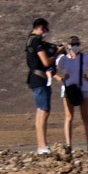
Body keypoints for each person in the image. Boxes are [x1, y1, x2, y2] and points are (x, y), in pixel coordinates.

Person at [56, 36, 88, 153]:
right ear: (68, 45)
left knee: (85, 116)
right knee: (69, 117)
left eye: (77, 44)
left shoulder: (85, 58)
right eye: (72, 44)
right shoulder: (64, 59)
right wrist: (60, 78)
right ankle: (69, 144)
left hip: (83, 89)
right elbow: (51, 69)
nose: (75, 46)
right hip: (68, 89)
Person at [26, 17, 57, 154]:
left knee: (41, 111)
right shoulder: (36, 41)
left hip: (36, 78)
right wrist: (57, 53)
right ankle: (42, 145)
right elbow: (45, 62)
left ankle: (42, 145)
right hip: (39, 78)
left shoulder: (30, 40)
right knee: (43, 111)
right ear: (42, 28)